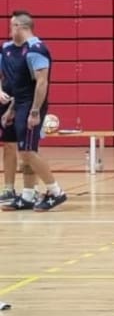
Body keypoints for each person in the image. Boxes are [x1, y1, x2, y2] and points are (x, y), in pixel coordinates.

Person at [1, 11, 66, 211]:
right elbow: (21, 86)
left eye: (12, 26)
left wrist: (35, 111)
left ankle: (56, 192)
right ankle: (28, 195)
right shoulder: (15, 50)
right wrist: (11, 109)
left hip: (32, 105)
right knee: (26, 150)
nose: (10, 30)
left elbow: (41, 83)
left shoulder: (36, 50)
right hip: (21, 104)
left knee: (28, 152)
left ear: (21, 27)